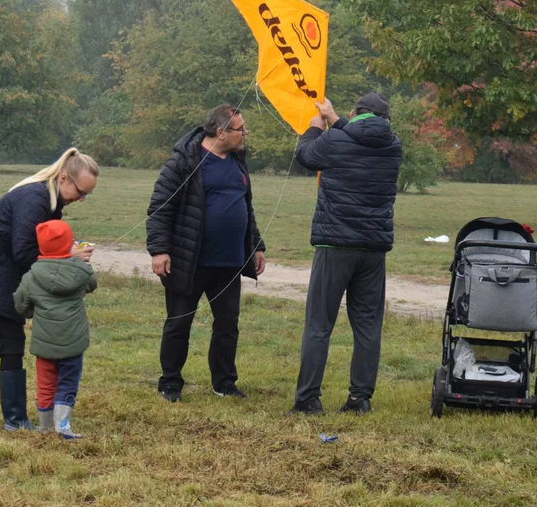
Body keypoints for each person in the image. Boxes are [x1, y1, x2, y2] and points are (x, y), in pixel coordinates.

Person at [0, 148, 98, 430]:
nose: (82, 199)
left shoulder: (48, 198)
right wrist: (69, 258)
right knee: (8, 345)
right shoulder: (35, 199)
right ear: (64, 178)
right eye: (81, 191)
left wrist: (65, 251)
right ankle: (14, 421)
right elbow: (24, 252)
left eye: (87, 194)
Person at [287, 93, 403, 416]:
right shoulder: (393, 146)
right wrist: (336, 120)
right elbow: (362, 136)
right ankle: (359, 398)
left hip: (334, 245)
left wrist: (316, 126)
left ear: (355, 113)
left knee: (319, 324)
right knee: (367, 326)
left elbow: (305, 156)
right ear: (386, 120)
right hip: (373, 249)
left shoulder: (335, 140)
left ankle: (308, 398)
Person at [147, 105, 266, 402]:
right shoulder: (184, 162)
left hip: (229, 263)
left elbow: (245, 207)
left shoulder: (238, 161)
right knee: (179, 323)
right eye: (241, 129)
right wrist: (159, 250)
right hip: (190, 260)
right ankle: (170, 383)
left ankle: (224, 383)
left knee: (227, 325)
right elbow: (160, 209)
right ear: (221, 132)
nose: (245, 134)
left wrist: (256, 246)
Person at [14, 219, 97, 440]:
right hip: (73, 342)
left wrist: (33, 312)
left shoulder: (31, 276)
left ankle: (46, 427)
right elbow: (92, 285)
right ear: (69, 245)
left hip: (44, 343)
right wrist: (82, 263)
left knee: (46, 384)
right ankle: (63, 427)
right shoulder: (80, 272)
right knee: (68, 382)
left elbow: (21, 304)